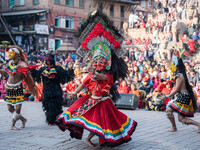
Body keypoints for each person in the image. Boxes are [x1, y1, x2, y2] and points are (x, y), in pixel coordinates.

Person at [55, 21, 137, 147]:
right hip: (91, 101)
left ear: (106, 62)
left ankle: (90, 139)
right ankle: (88, 139)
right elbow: (82, 85)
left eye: (101, 60)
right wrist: (74, 93)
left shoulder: (108, 74)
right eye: (96, 60)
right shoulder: (89, 75)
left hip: (104, 102)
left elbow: (103, 78)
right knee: (86, 119)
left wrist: (95, 73)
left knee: (103, 123)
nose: (98, 62)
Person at [0, 46, 37, 130]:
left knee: (18, 107)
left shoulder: (22, 63)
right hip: (9, 87)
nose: (9, 54)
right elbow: (5, 72)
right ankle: (23, 119)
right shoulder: (10, 63)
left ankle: (12, 125)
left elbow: (26, 71)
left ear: (17, 54)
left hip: (17, 87)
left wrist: (25, 69)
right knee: (10, 108)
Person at [31, 54, 73, 125]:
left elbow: (36, 75)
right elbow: (67, 75)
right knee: (51, 106)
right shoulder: (52, 69)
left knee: (54, 106)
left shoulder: (50, 69)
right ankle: (53, 120)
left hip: (53, 91)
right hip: (51, 91)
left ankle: (53, 120)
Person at [161, 58, 200, 132]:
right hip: (183, 96)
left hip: (183, 97)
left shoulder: (180, 76)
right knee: (181, 119)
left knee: (169, 111)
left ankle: (174, 127)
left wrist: (166, 97)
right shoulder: (181, 75)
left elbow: (176, 90)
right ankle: (198, 125)